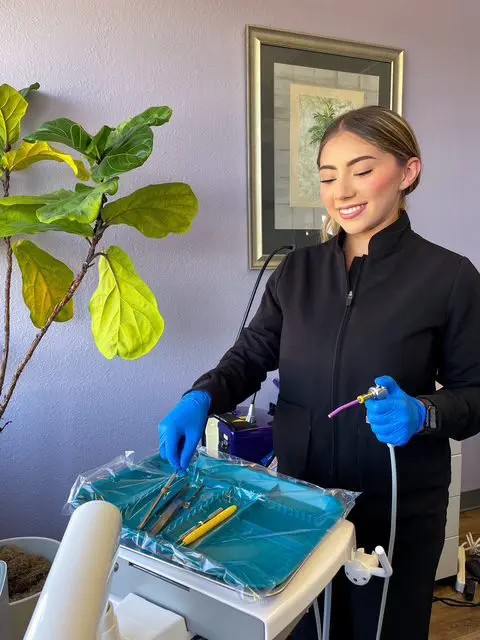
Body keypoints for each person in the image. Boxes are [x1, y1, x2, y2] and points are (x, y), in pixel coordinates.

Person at [158, 105, 480, 639]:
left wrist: (424, 413)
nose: (343, 190)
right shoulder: (298, 271)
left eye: (362, 169)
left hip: (397, 503)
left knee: (384, 628)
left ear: (408, 172)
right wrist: (201, 396)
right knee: (308, 626)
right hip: (302, 500)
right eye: (329, 176)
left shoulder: (449, 278)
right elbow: (252, 353)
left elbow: (475, 393)